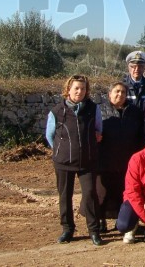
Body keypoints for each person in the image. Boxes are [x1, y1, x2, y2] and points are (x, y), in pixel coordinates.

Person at [45, 75, 103, 246]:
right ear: (68, 89)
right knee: (65, 196)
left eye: (83, 88)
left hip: (88, 160)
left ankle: (94, 231)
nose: (80, 91)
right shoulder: (57, 111)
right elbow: (50, 136)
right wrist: (61, 150)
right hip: (63, 162)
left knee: (91, 194)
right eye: (76, 88)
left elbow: (99, 130)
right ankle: (67, 230)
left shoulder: (93, 109)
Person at [96, 81, 145, 232]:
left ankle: (121, 220)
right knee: (102, 193)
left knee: (121, 192)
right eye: (116, 91)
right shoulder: (100, 110)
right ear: (109, 94)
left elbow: (139, 135)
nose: (120, 95)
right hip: (104, 159)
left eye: (123, 92)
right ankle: (99, 220)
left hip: (127, 159)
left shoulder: (134, 111)